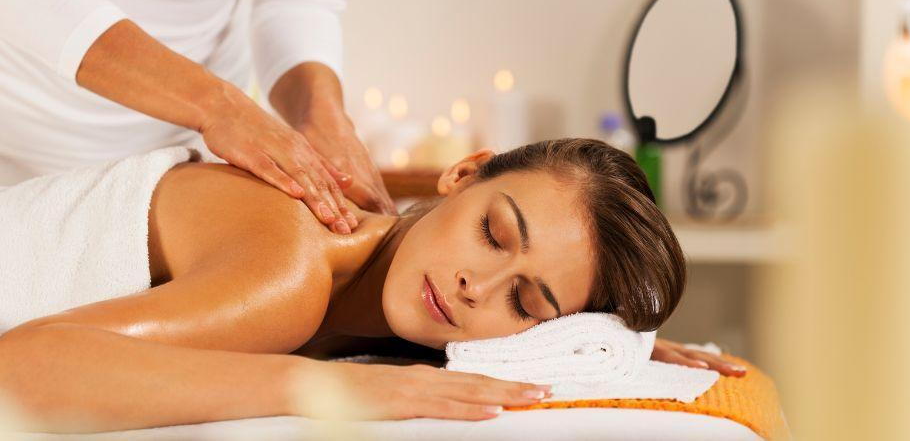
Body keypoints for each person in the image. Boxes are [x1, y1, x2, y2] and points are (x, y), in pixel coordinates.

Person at [0, 138, 744, 433]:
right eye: (493, 233)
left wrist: (600, 350)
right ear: (461, 173)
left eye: (526, 304)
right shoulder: (288, 269)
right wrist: (324, 391)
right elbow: (18, 371)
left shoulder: (369, 308)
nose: (474, 287)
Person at [0, 0, 393, 233]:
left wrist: (324, 119)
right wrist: (219, 107)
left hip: (176, 157)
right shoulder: (219, 107)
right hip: (17, 124)